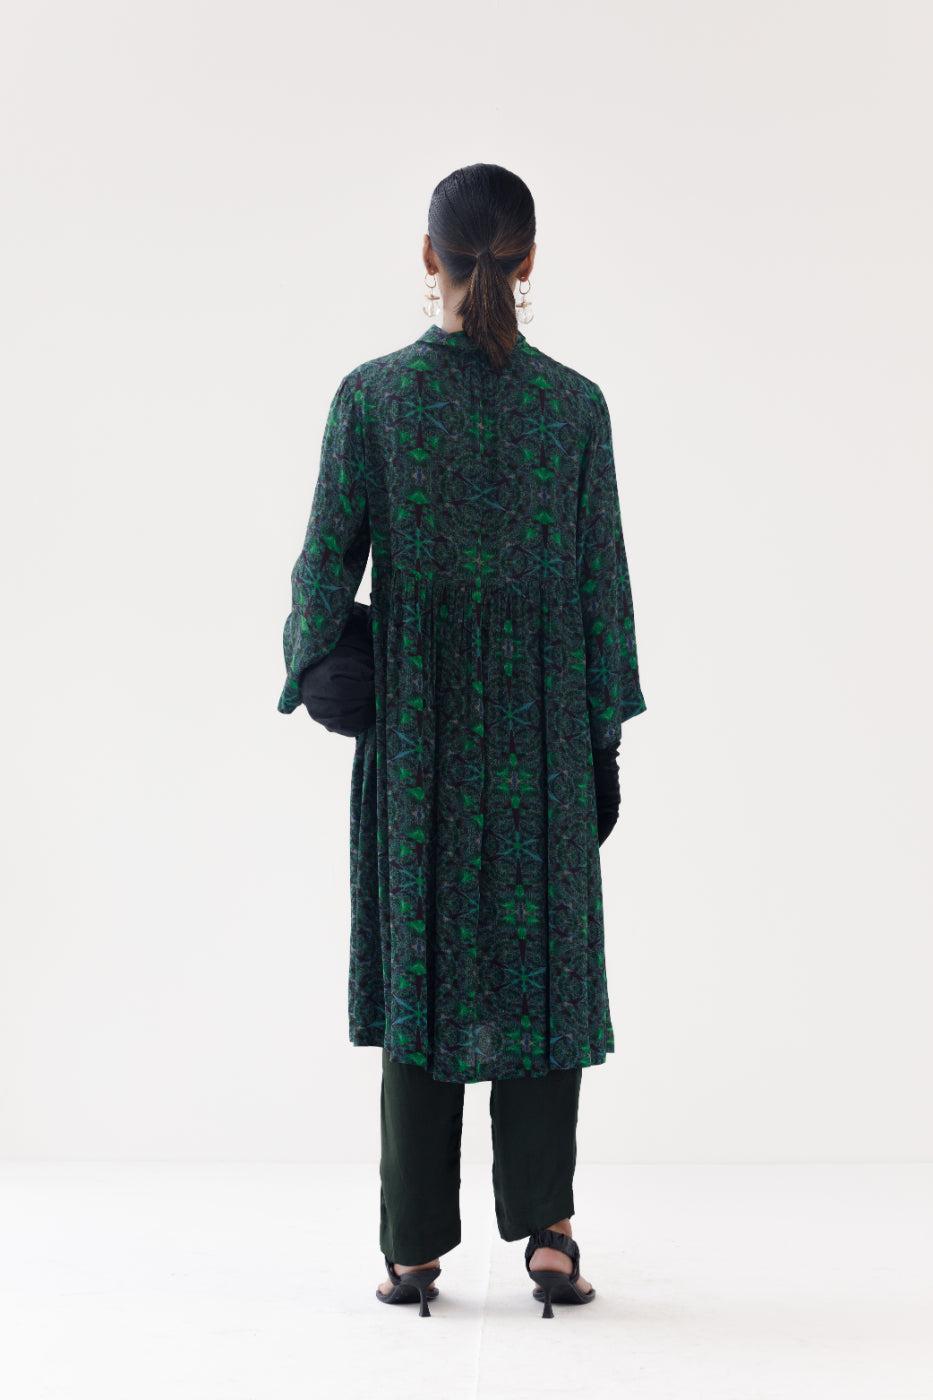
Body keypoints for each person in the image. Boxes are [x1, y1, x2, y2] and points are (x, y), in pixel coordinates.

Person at [276, 163, 647, 1317]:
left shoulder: (373, 400)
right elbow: (602, 592)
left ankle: (411, 1248)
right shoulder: (573, 407)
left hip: (418, 741)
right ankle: (550, 1231)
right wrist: (601, 747)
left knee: (421, 971)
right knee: (543, 975)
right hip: (541, 735)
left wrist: (325, 665)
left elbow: (321, 568)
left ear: (427, 256)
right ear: (529, 261)